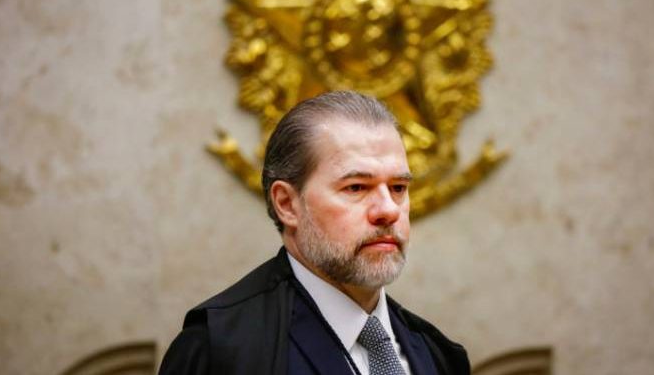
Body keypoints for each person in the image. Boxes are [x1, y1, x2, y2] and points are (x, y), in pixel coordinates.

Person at [159, 91, 470, 374]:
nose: (389, 210)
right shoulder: (218, 350)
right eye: (356, 187)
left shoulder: (438, 354)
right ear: (287, 204)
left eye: (398, 187)